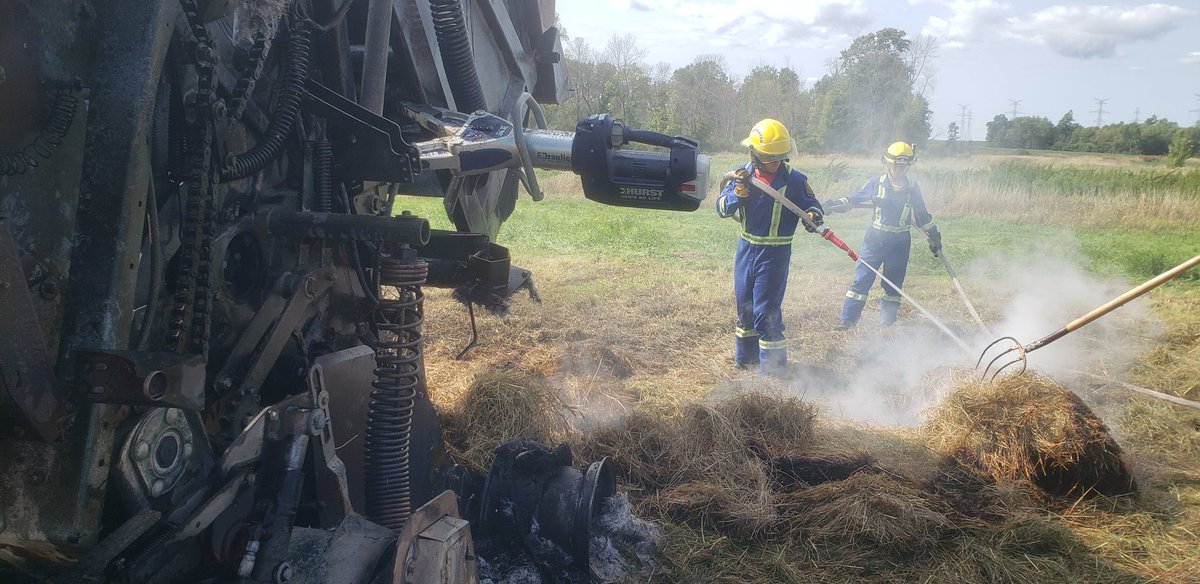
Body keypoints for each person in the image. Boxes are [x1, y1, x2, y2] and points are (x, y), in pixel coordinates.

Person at [716, 119, 824, 374]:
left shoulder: (795, 180)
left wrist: (813, 217)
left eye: (779, 157)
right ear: (754, 154)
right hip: (746, 251)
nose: (775, 162)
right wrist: (736, 195)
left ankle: (773, 373)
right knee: (745, 308)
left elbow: (813, 206)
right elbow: (721, 209)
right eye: (769, 157)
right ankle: (746, 363)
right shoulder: (742, 176)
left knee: (766, 311)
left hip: (775, 255)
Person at [825, 141, 941, 329]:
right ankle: (848, 321)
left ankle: (887, 324)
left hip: (900, 244)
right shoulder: (875, 183)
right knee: (862, 280)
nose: (898, 168)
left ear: (908, 165)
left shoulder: (913, 188)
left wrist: (934, 236)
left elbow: (922, 217)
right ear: (887, 163)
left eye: (903, 164)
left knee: (893, 286)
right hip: (874, 241)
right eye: (895, 164)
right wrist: (832, 205)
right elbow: (854, 199)